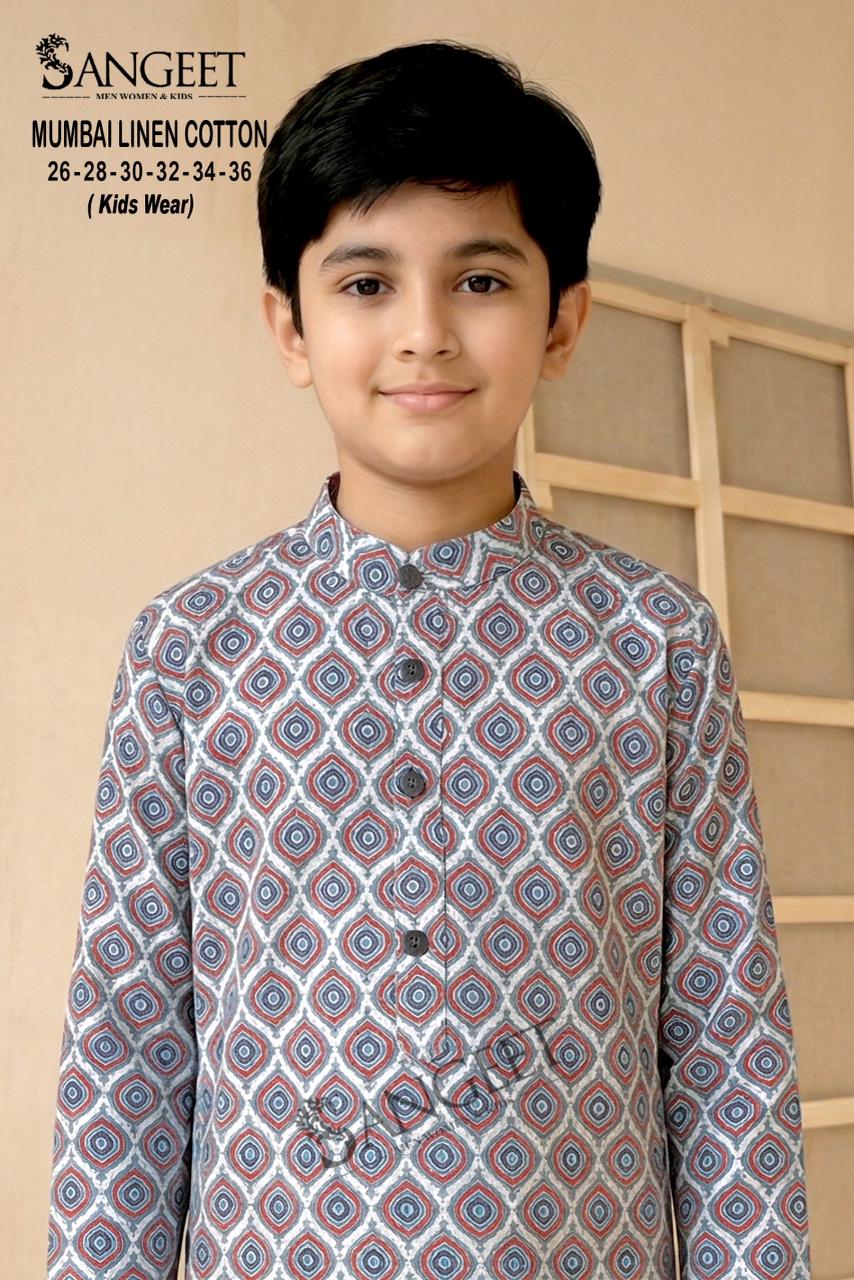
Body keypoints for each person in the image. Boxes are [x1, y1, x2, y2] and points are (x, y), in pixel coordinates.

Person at [47, 37, 812, 1280]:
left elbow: (727, 1042)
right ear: (290, 327)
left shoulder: (655, 641)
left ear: (560, 322)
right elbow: (128, 1043)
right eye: (364, 283)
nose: (423, 334)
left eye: (480, 280)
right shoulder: (189, 646)